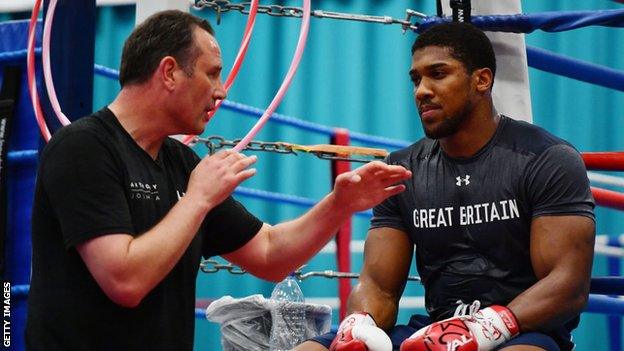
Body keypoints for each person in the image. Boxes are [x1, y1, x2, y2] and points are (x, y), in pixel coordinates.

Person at [24, 10, 412, 351]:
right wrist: (196, 200)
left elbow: (270, 254)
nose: (221, 91)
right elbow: (125, 281)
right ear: (170, 71)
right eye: (212, 73)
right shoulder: (83, 147)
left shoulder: (179, 162)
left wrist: (339, 203)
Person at [296, 22, 595, 351]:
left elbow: (567, 284)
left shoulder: (545, 158)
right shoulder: (404, 170)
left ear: (481, 80)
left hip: (524, 331)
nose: (421, 90)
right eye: (416, 79)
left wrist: (487, 327)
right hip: (435, 331)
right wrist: (361, 324)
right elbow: (378, 286)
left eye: (438, 74)